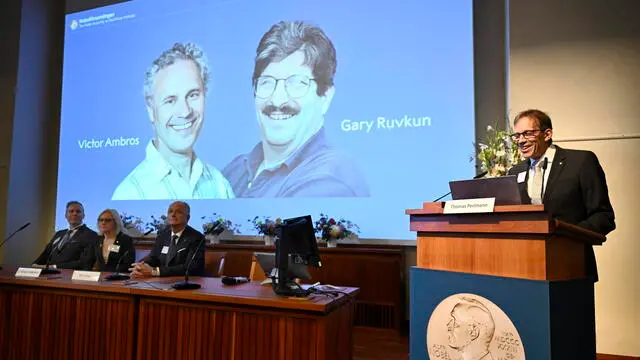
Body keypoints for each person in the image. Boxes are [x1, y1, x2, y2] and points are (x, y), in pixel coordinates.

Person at [223, 21, 369, 197]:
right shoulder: (235, 170)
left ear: (325, 97)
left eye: (296, 83)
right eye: (267, 82)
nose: (277, 99)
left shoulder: (328, 179)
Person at [112, 42, 234, 200]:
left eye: (193, 95)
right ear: (150, 109)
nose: (185, 111)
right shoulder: (130, 194)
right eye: (170, 100)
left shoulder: (219, 184)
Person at [507, 109, 615, 280]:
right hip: (525, 268)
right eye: (517, 135)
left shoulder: (580, 162)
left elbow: (603, 216)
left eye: (527, 134)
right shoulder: (515, 171)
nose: (521, 141)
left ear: (547, 134)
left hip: (571, 266)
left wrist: (568, 237)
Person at [129, 201, 204, 277]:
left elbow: (191, 268)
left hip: (181, 282)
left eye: (178, 212)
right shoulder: (163, 234)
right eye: (170, 212)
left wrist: (155, 271)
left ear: (187, 218)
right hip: (160, 282)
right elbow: (153, 258)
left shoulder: (196, 237)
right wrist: (141, 267)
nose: (173, 215)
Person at [33, 201, 98, 270]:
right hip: (49, 273)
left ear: (83, 216)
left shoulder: (91, 235)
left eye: (78, 211)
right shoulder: (59, 234)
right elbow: (46, 253)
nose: (74, 213)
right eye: (71, 211)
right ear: (65, 215)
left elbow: (84, 262)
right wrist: (34, 265)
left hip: (69, 276)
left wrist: (54, 267)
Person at [92, 209, 135, 273]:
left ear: (116, 222)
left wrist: (112, 275)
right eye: (101, 220)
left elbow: (128, 264)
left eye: (108, 220)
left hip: (118, 277)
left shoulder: (125, 240)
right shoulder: (97, 239)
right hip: (100, 277)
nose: (103, 222)